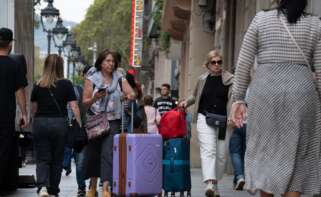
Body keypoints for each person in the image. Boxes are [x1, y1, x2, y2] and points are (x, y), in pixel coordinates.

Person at [230, 0, 321, 196]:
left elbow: (244, 62)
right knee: (298, 156)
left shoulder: (261, 19)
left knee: (265, 151)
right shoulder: (315, 24)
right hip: (302, 94)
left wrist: (238, 98)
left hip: (265, 93)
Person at [179, 50, 233, 197]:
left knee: (221, 156)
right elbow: (195, 96)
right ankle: (209, 183)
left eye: (219, 62)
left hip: (223, 121)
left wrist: (233, 115)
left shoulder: (230, 79)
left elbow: (233, 100)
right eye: (213, 62)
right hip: (205, 117)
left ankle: (215, 184)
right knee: (209, 150)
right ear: (208, 64)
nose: (217, 65)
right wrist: (186, 102)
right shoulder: (202, 79)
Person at [82, 50, 134, 197]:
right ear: (101, 62)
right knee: (93, 154)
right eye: (107, 61)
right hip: (95, 120)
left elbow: (132, 93)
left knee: (108, 153)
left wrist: (127, 96)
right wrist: (95, 98)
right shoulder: (91, 78)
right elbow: (85, 102)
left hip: (113, 120)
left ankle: (106, 187)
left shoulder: (119, 78)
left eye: (112, 61)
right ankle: (92, 186)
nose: (111, 64)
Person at [31, 54, 82, 197]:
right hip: (59, 124)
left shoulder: (38, 84)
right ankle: (53, 189)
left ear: (46, 66)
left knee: (42, 158)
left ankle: (43, 188)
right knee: (57, 159)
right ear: (61, 66)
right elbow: (74, 106)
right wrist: (79, 124)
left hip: (41, 123)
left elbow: (34, 108)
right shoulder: (66, 84)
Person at [0, 27, 28, 191]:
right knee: (3, 150)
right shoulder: (15, 65)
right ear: (10, 44)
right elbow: (20, 92)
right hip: (5, 116)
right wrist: (24, 113)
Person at [62, 65, 92, 197]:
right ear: (83, 75)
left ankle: (93, 185)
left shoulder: (101, 90)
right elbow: (71, 108)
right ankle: (82, 187)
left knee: (94, 160)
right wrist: (71, 123)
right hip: (82, 131)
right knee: (80, 162)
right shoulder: (77, 90)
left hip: (99, 130)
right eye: (88, 74)